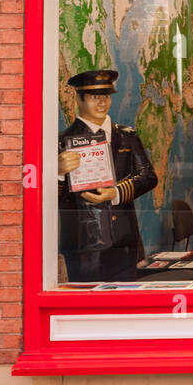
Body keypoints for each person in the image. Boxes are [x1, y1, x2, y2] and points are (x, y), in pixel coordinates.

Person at [57, 69, 158, 282]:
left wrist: (115, 192)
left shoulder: (127, 135)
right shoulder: (62, 141)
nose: (102, 102)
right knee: (89, 308)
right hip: (84, 246)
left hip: (124, 241)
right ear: (80, 98)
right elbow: (51, 199)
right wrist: (57, 173)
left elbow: (148, 176)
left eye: (106, 96)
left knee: (126, 305)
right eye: (95, 97)